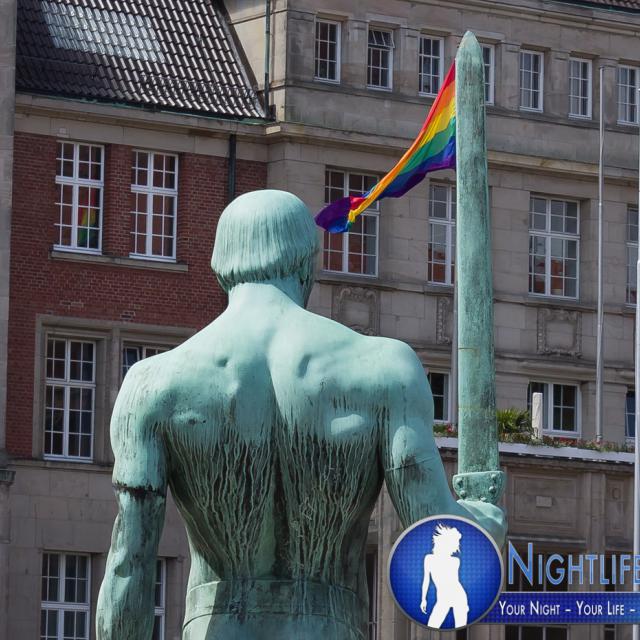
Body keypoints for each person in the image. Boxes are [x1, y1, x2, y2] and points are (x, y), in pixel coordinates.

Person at [96, 190, 506, 640]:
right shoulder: (385, 368)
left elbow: (129, 563)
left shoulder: (152, 384)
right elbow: (433, 528)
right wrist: (485, 516)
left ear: (219, 268)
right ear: (308, 265)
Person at [420, 524, 469, 628]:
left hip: (458, 596)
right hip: (443, 598)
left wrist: (464, 605)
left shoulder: (455, 561)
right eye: (455, 543)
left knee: (461, 628)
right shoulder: (429, 559)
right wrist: (423, 599)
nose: (456, 547)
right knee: (432, 625)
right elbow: (426, 580)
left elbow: (455, 581)